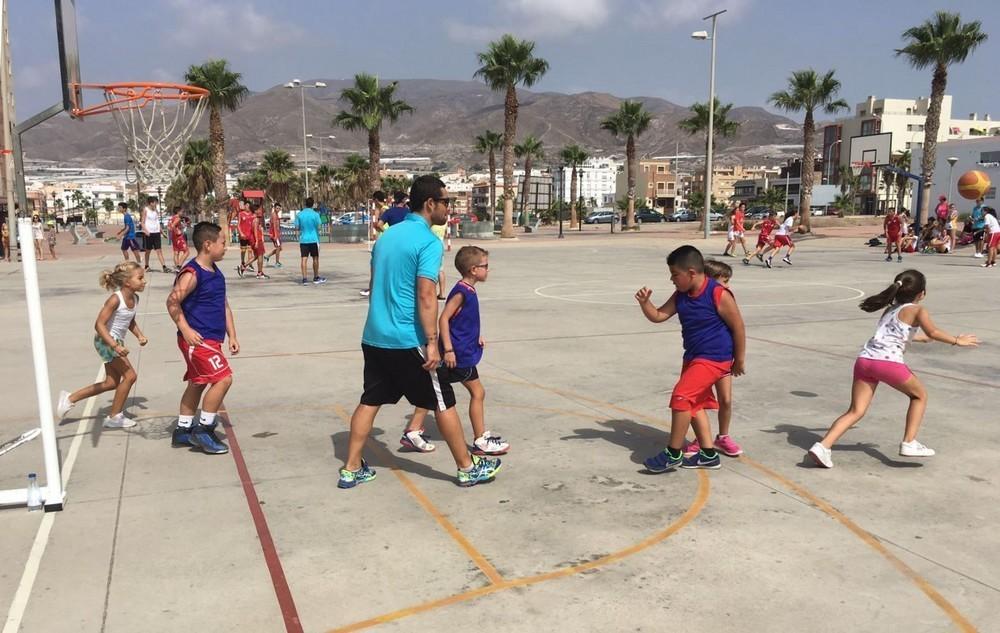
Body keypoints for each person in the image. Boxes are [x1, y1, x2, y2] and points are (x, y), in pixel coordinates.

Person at [339, 176, 501, 489]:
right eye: (446, 202)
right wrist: (431, 342)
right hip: (408, 338)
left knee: (370, 400)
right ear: (430, 203)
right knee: (443, 402)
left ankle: (351, 468)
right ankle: (467, 467)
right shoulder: (428, 241)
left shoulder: (386, 237)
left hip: (374, 335)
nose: (448, 207)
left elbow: (374, 285)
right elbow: (427, 294)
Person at [808, 270, 978, 468]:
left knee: (856, 410)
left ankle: (823, 446)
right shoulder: (917, 310)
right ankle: (909, 443)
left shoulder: (890, 310)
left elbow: (893, 334)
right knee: (919, 396)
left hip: (865, 360)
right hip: (888, 363)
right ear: (922, 293)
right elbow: (933, 331)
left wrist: (920, 339)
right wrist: (957, 340)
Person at [636, 245, 746, 472]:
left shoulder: (718, 294)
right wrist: (645, 304)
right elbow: (659, 315)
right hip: (693, 356)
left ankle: (673, 453)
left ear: (692, 273)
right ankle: (708, 455)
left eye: (675, 274)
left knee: (682, 397)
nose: (672, 279)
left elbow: (738, 327)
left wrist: (739, 360)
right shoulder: (681, 295)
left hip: (714, 357)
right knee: (694, 405)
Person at [400, 246, 509, 456]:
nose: (488, 269)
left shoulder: (467, 289)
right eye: (485, 266)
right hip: (458, 355)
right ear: (473, 270)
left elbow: (463, 320)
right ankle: (480, 440)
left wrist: (476, 335)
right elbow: (444, 318)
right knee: (478, 392)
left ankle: (413, 430)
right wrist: (448, 349)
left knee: (433, 389)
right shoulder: (462, 292)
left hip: (462, 349)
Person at [165, 222, 240, 454]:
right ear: (208, 245)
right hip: (198, 339)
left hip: (211, 338)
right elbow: (172, 301)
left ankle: (183, 430)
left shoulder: (215, 272)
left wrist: (232, 334)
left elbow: (224, 306)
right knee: (224, 379)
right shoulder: (192, 274)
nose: (225, 247)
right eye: (223, 243)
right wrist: (186, 329)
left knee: (197, 383)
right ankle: (204, 429)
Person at [56, 262, 148, 428]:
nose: (144, 281)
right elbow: (99, 324)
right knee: (130, 376)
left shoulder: (135, 298)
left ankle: (70, 398)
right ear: (127, 282)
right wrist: (114, 345)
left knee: (111, 383)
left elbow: (129, 320)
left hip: (115, 341)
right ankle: (114, 417)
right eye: (140, 278)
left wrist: (139, 335)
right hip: (106, 341)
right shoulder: (115, 299)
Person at [683, 258, 742, 457]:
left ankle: (723, 437)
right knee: (697, 401)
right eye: (724, 281)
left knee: (726, 400)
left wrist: (739, 359)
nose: (728, 285)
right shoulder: (700, 297)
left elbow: (737, 328)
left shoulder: (725, 298)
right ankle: (701, 438)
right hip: (701, 358)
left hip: (722, 358)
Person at [361, 192, 388, 297]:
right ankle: (376, 287)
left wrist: (385, 231)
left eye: (373, 200)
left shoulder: (383, 210)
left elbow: (378, 225)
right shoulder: (384, 209)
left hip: (384, 240)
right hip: (382, 239)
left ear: (376, 200)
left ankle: (374, 288)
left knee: (376, 264)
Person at [295, 196, 326, 285]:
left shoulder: (299, 215)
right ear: (313, 204)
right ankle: (316, 277)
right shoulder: (315, 214)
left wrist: (298, 237)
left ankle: (304, 279)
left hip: (303, 240)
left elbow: (297, 228)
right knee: (315, 258)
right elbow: (319, 227)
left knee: (304, 259)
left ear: (305, 204)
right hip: (313, 239)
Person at [140, 197, 169, 273]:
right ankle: (146, 266)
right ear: (151, 203)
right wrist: (146, 231)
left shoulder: (156, 211)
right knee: (148, 251)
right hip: (149, 233)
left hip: (156, 232)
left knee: (159, 250)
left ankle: (164, 267)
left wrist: (162, 232)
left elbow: (157, 222)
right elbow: (142, 222)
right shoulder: (145, 210)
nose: (156, 204)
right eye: (155, 202)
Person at [235, 200, 256, 277]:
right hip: (243, 236)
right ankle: (243, 262)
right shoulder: (241, 214)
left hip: (250, 236)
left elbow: (255, 225)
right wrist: (241, 233)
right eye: (246, 205)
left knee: (250, 250)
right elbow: (238, 225)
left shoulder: (253, 215)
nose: (247, 207)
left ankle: (250, 264)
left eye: (248, 205)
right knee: (243, 250)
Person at [167, 206, 189, 271]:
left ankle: (177, 267)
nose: (182, 213)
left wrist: (181, 226)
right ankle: (179, 266)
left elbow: (169, 227)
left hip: (174, 237)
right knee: (187, 252)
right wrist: (177, 231)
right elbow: (172, 226)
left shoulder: (172, 218)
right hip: (178, 237)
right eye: (182, 212)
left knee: (176, 253)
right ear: (178, 212)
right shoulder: (178, 218)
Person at [251, 203, 269, 280]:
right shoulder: (256, 220)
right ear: (255, 211)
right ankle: (259, 273)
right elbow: (255, 231)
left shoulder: (255, 219)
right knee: (260, 256)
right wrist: (257, 241)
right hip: (258, 240)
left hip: (258, 239)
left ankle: (260, 272)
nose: (260, 211)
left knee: (259, 256)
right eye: (259, 210)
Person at [264, 202, 283, 268]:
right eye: (277, 208)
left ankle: (267, 256)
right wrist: (275, 235)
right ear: (274, 208)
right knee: (278, 247)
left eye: (279, 208)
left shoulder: (276, 214)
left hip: (277, 233)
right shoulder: (274, 215)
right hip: (275, 234)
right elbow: (274, 226)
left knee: (280, 248)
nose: (278, 209)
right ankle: (277, 262)